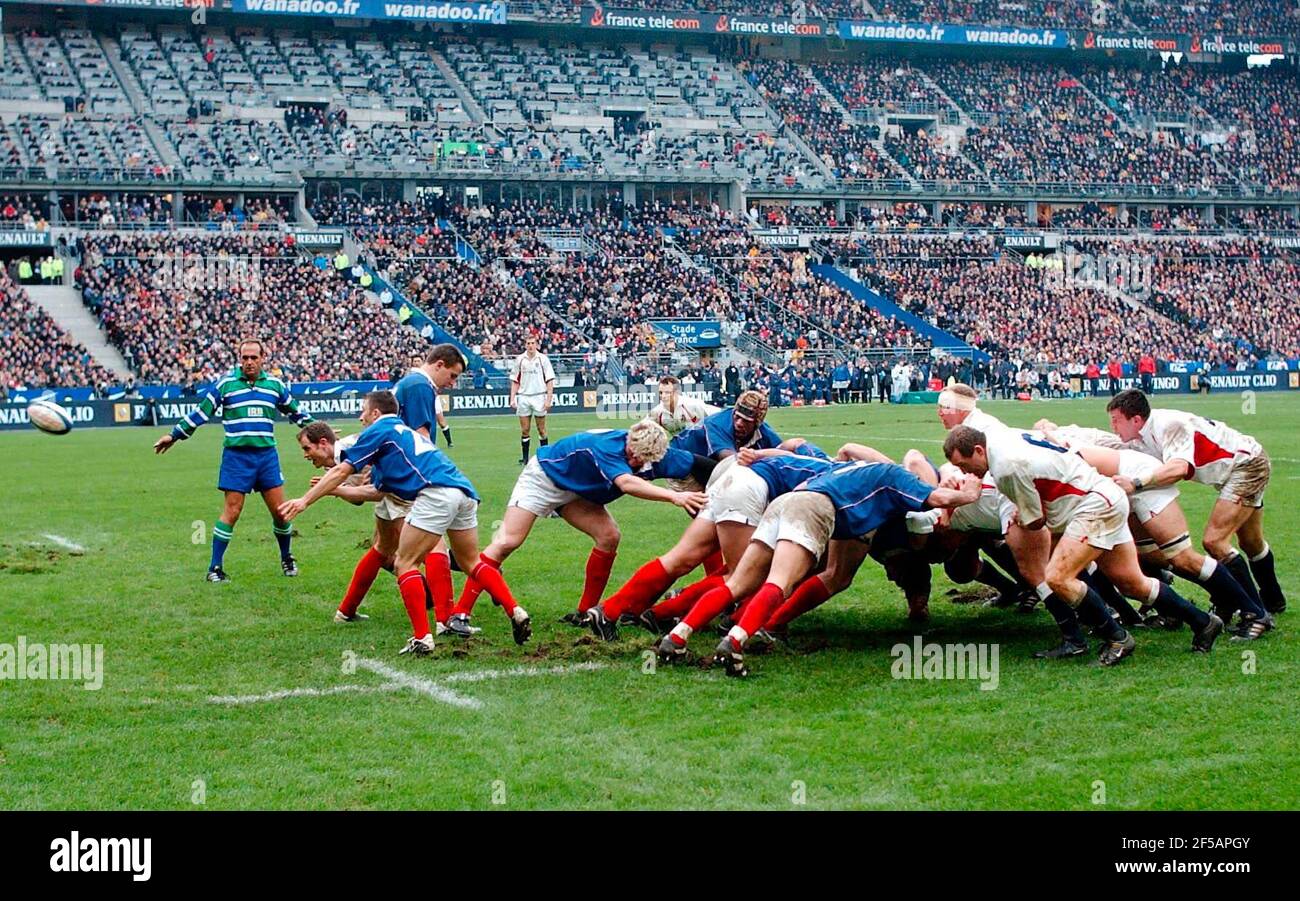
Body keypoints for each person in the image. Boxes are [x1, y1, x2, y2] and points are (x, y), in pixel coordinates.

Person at [655, 459, 982, 676]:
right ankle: (735, 643)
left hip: (784, 502)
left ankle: (677, 637)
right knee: (779, 582)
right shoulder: (894, 475)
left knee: (738, 583)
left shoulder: (850, 466)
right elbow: (936, 499)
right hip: (813, 508)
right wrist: (967, 494)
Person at [944, 425, 1221, 665]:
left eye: (965, 465)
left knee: (1057, 577)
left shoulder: (1004, 468)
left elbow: (1037, 522)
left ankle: (1116, 638)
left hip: (1093, 507)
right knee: (1131, 582)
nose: (965, 472)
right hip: (1107, 496)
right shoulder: (1006, 438)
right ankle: (1203, 622)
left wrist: (1015, 521)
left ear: (979, 450)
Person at [278, 391, 529, 655]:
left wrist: (304, 500)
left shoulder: (378, 430)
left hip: (433, 492)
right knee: (470, 562)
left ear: (376, 413)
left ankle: (424, 635)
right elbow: (375, 492)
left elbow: (342, 471)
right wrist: (335, 490)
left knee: (405, 562)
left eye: (364, 410)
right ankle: (515, 610)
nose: (360, 416)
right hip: (463, 491)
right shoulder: (396, 437)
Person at [449, 421, 711, 634]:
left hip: (577, 493)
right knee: (508, 541)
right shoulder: (608, 447)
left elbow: (700, 463)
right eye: (631, 454)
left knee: (609, 536)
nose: (633, 460)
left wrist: (733, 474)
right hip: (546, 478)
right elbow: (627, 484)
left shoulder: (660, 455)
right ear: (628, 441)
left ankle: (586, 612)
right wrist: (674, 496)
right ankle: (459, 614)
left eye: (640, 459)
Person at [1106, 390, 1285, 620]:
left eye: (1116, 421)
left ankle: (1253, 611)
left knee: (1214, 541)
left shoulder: (1170, 425)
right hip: (1240, 465)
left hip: (1246, 466)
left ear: (1136, 420)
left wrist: (1136, 483)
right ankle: (1273, 600)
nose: (1113, 427)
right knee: (1251, 542)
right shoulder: (1142, 436)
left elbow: (1179, 469)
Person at [153, 339, 313, 582]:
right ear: (240, 359)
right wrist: (174, 435)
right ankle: (214, 568)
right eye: (245, 358)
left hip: (266, 456)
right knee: (232, 511)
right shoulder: (226, 385)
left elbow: (297, 412)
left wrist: (323, 434)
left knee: (281, 513)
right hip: (237, 457)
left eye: (253, 357)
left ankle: (286, 557)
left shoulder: (275, 386)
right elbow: (201, 412)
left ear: (263, 358)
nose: (249, 362)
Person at [511, 334, 555, 464]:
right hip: (524, 397)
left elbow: (550, 380)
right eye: (528, 343)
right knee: (525, 430)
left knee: (541, 429)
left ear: (536, 344)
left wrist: (548, 399)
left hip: (539, 396)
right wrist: (512, 398)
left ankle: (544, 457)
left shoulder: (543, 359)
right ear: (525, 345)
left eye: (532, 343)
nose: (530, 346)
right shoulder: (520, 360)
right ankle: (525, 458)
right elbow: (515, 380)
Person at [650, 375, 719, 435]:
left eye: (667, 392)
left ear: (677, 392)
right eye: (660, 392)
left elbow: (720, 415)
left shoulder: (692, 405)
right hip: (678, 446)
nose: (663, 396)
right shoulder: (657, 412)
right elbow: (643, 429)